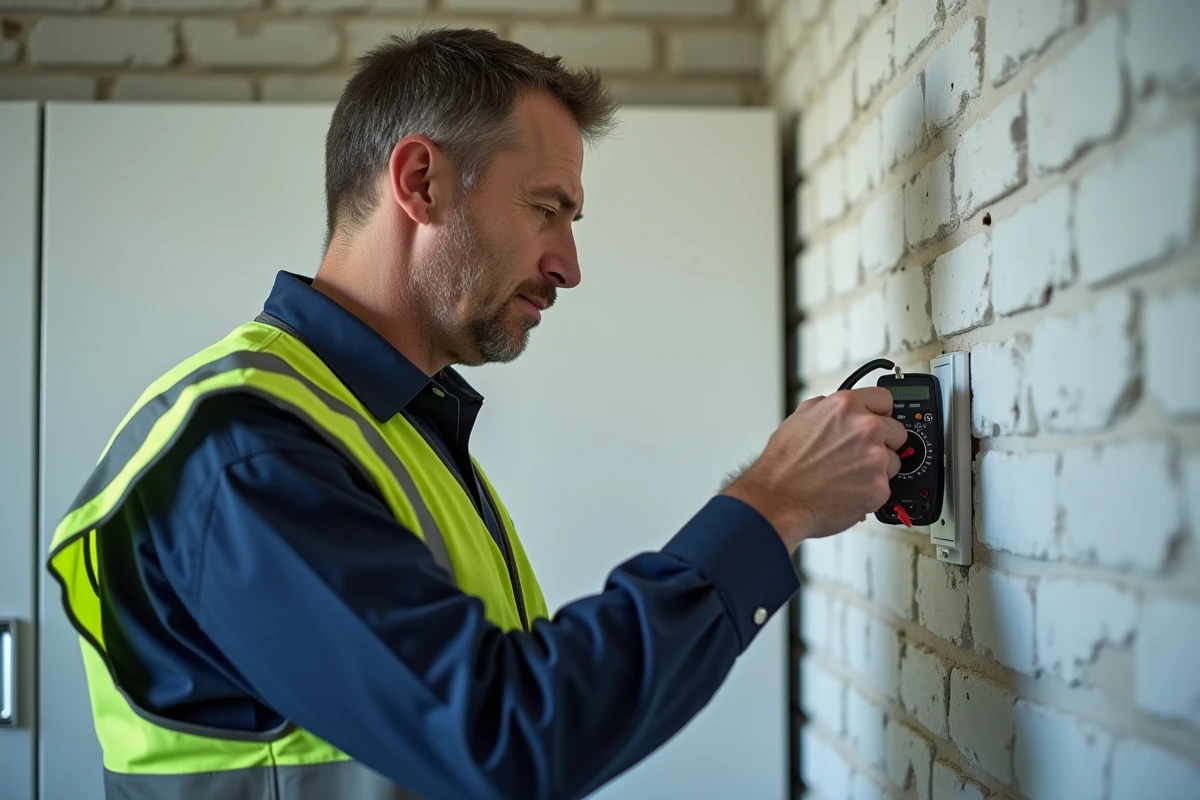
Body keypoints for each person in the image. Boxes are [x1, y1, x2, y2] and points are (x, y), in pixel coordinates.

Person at [47, 27, 906, 800]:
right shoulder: (245, 451)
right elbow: (504, 739)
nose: (569, 266)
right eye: (546, 209)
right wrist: (772, 504)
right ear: (420, 182)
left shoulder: (392, 425)